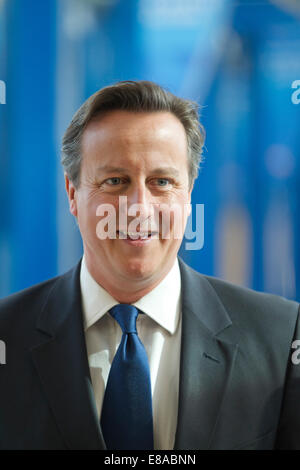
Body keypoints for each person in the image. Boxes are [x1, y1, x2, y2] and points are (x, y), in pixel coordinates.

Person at [0, 80, 300, 450]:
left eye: (161, 181)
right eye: (115, 180)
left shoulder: (281, 338)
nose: (139, 207)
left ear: (188, 195)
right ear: (73, 194)